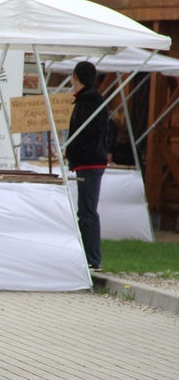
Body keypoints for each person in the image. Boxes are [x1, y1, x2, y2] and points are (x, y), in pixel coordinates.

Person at [66, 61, 109, 273]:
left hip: (89, 161)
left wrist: (72, 151)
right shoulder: (91, 99)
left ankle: (93, 259)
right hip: (89, 160)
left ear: (75, 77)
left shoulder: (88, 100)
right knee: (85, 210)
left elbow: (86, 133)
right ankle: (88, 257)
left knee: (87, 211)